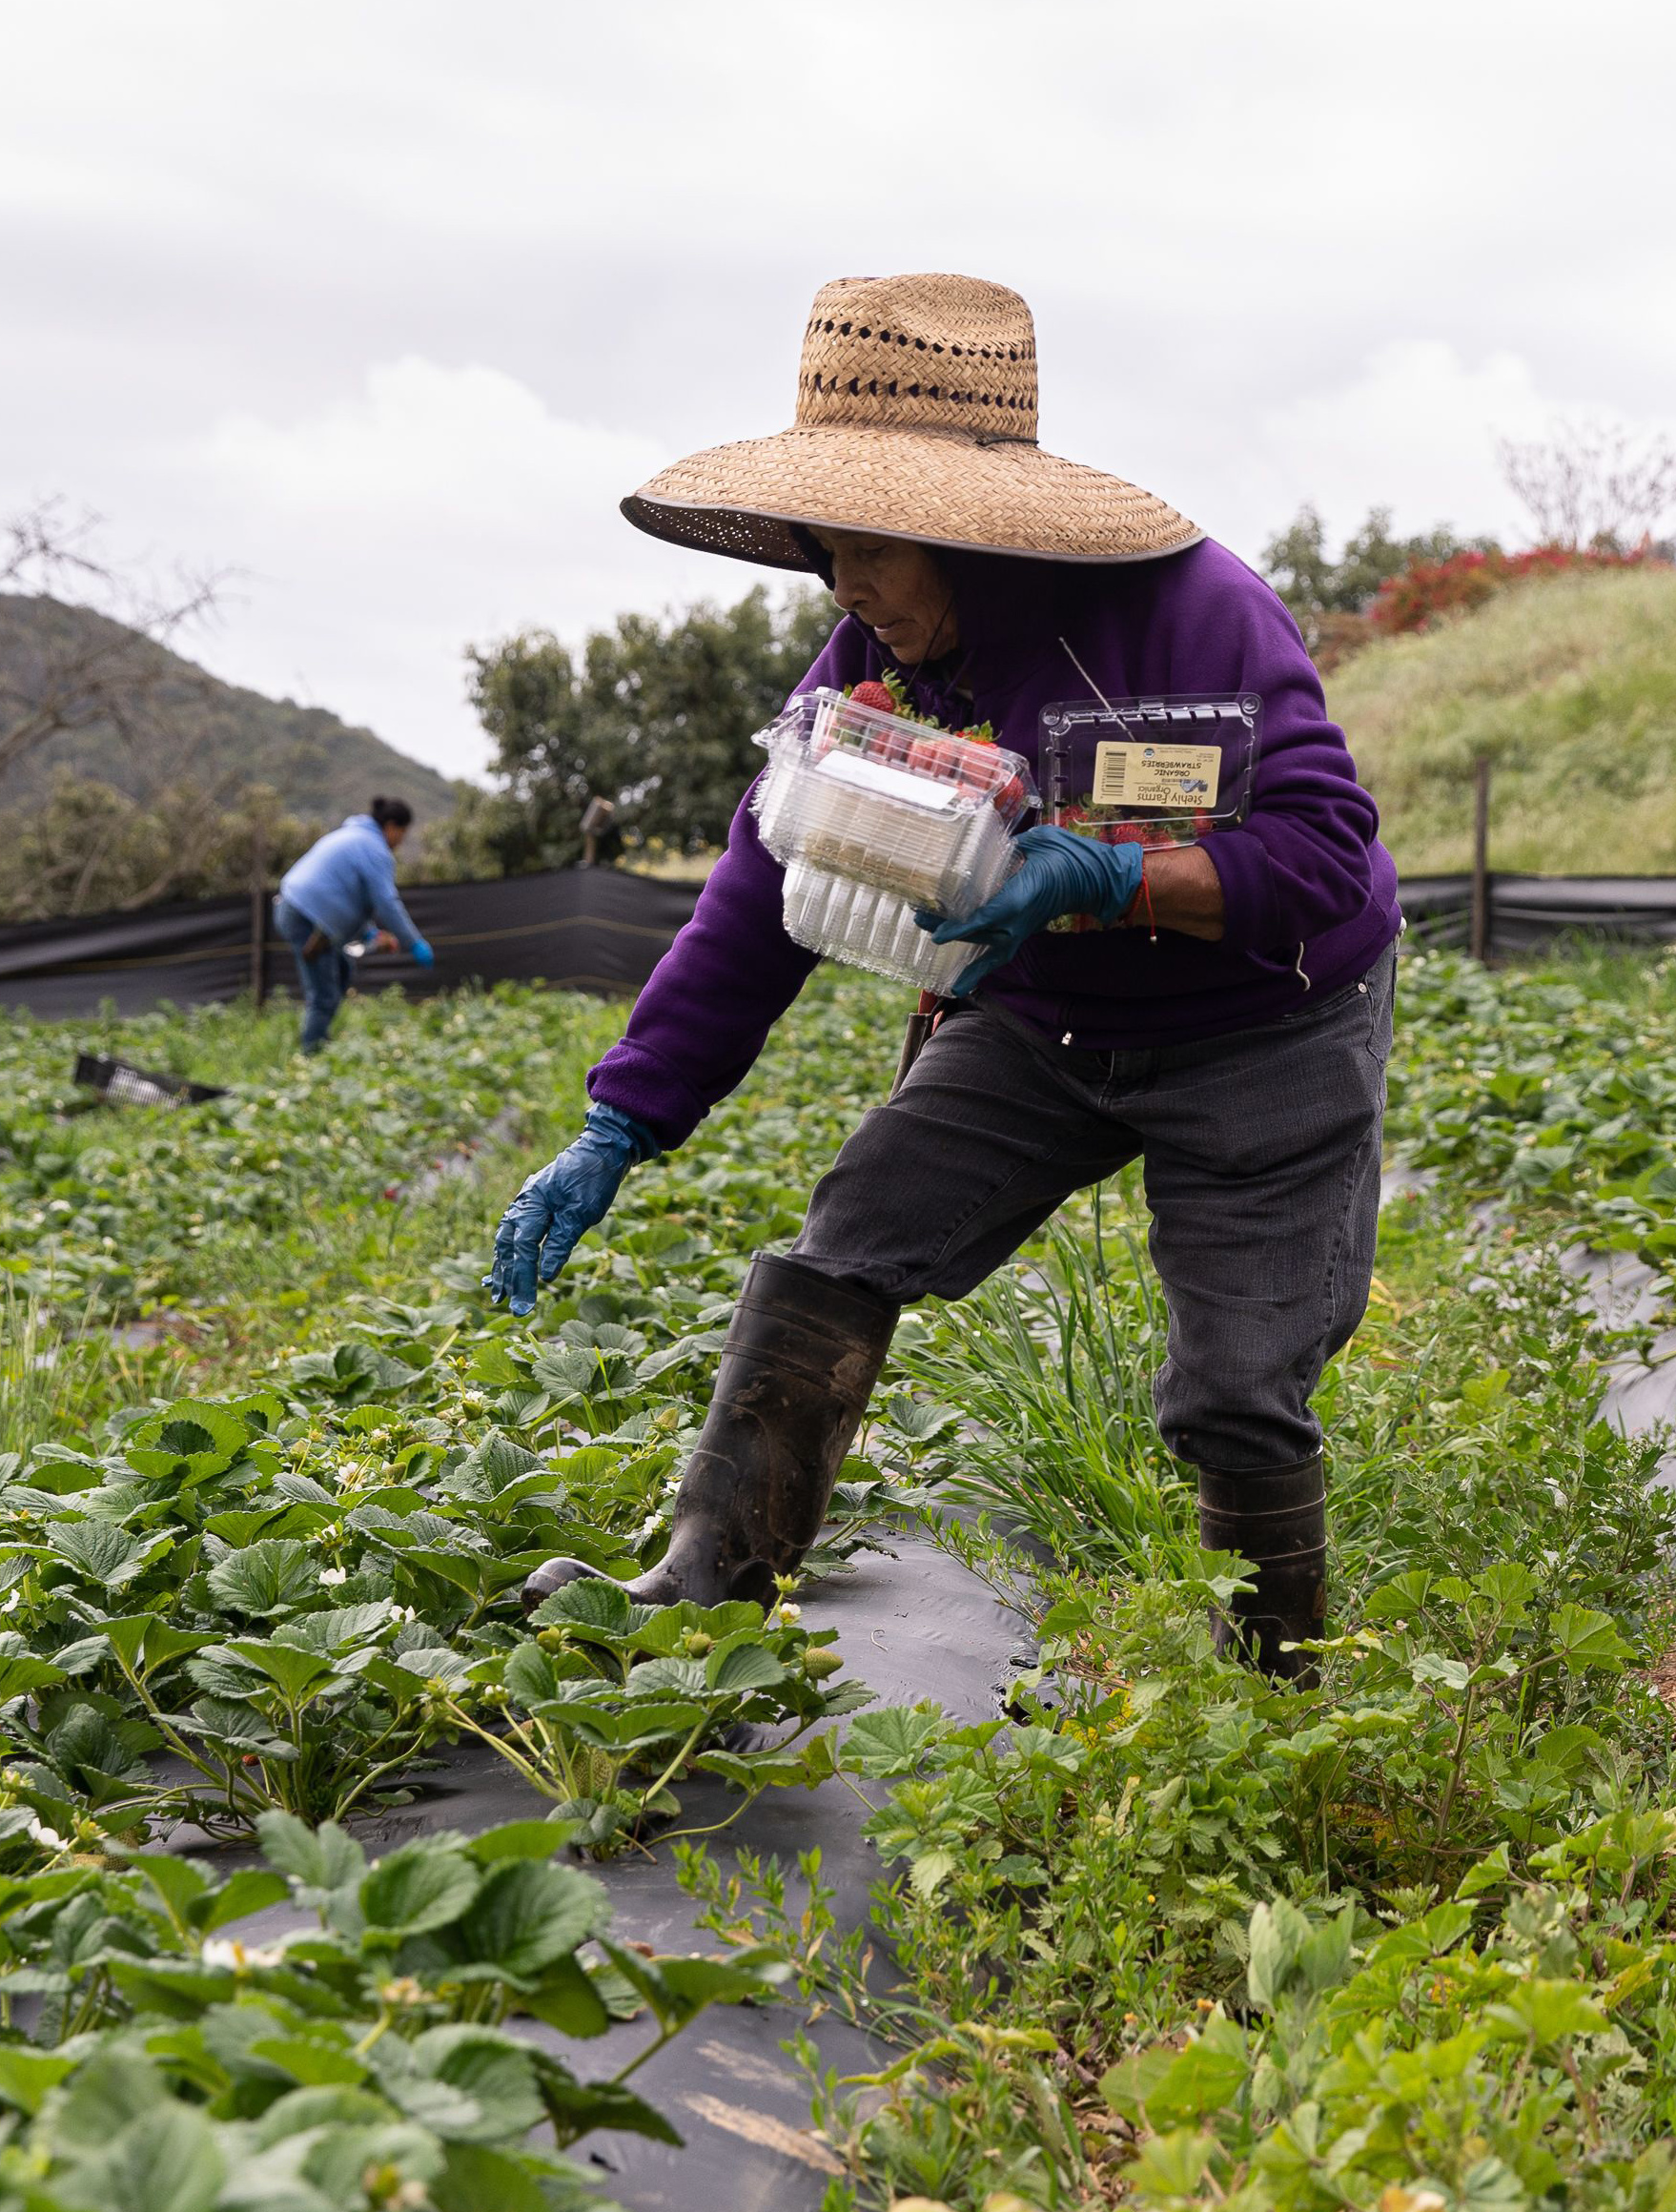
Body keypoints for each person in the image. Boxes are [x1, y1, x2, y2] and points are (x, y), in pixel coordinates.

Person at [491, 274, 1399, 1674]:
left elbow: (1326, 862)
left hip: (1262, 1025)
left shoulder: (1190, 611)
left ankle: (1269, 1686)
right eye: (821, 549)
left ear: (963, 528)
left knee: (1234, 1384)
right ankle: (706, 1589)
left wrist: (1114, 873)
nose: (841, 584)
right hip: (1042, 1019)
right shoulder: (871, 661)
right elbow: (757, 888)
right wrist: (625, 1119)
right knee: (845, 1241)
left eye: (868, 548)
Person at [276, 796, 434, 1054]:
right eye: (402, 833)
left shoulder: (354, 836)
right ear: (392, 826)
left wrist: (370, 932)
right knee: (324, 993)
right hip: (306, 917)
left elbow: (347, 898)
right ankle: (310, 1058)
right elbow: (386, 902)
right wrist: (414, 942)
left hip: (298, 910)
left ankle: (319, 1040)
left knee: (342, 970)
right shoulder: (374, 849)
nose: (401, 841)